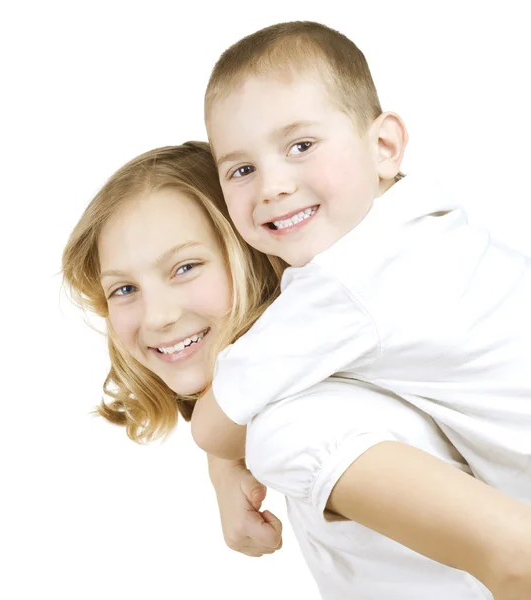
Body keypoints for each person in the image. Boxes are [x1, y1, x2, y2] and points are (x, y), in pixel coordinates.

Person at [63, 141, 531, 598]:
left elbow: (520, 560)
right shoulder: (331, 376)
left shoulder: (293, 426)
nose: (157, 316)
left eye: (185, 267)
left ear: (257, 253)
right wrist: (224, 458)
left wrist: (225, 445)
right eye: (123, 290)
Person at [190, 21, 531, 503]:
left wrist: (224, 473)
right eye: (242, 170)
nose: (272, 186)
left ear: (384, 146)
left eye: (301, 146)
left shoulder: (346, 280)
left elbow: (215, 426)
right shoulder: (423, 219)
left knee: (285, 434)